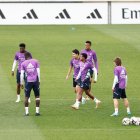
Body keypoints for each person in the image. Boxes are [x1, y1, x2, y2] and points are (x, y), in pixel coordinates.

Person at [20, 52, 40, 116]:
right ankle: (37, 112)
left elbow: (22, 74)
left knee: (26, 97)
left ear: (25, 57)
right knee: (37, 96)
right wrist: (39, 80)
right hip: (35, 81)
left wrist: (21, 83)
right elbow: (38, 72)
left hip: (28, 82)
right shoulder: (36, 61)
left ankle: (27, 112)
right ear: (31, 56)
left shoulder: (23, 63)